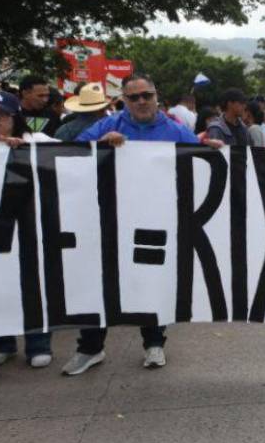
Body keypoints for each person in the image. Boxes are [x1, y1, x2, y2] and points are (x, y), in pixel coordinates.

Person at [69, 74, 219, 376]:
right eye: (133, 97)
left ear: (156, 96)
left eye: (146, 96)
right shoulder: (107, 126)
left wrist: (213, 151)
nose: (140, 101)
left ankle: (154, 343)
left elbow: (200, 164)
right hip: (107, 219)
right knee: (100, 282)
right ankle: (90, 347)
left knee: (150, 281)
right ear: (123, 100)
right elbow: (71, 154)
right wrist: (100, 146)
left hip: (154, 220)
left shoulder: (175, 130)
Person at [0, 91, 57, 368]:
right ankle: (1, 343)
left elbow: (72, 155)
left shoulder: (38, 141)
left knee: (32, 283)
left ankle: (38, 344)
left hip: (30, 225)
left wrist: (23, 150)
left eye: (1, 115)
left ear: (15, 117)